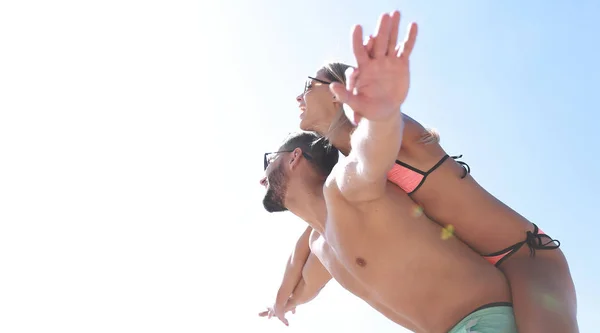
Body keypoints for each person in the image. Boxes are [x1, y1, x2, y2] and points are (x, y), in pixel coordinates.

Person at [265, 11, 578, 333]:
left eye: (308, 85)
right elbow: (311, 238)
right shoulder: (346, 177)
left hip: (527, 258)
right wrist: (280, 300)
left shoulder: (392, 133)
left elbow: (378, 138)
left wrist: (382, 110)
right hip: (479, 285)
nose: (299, 96)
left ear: (337, 91)